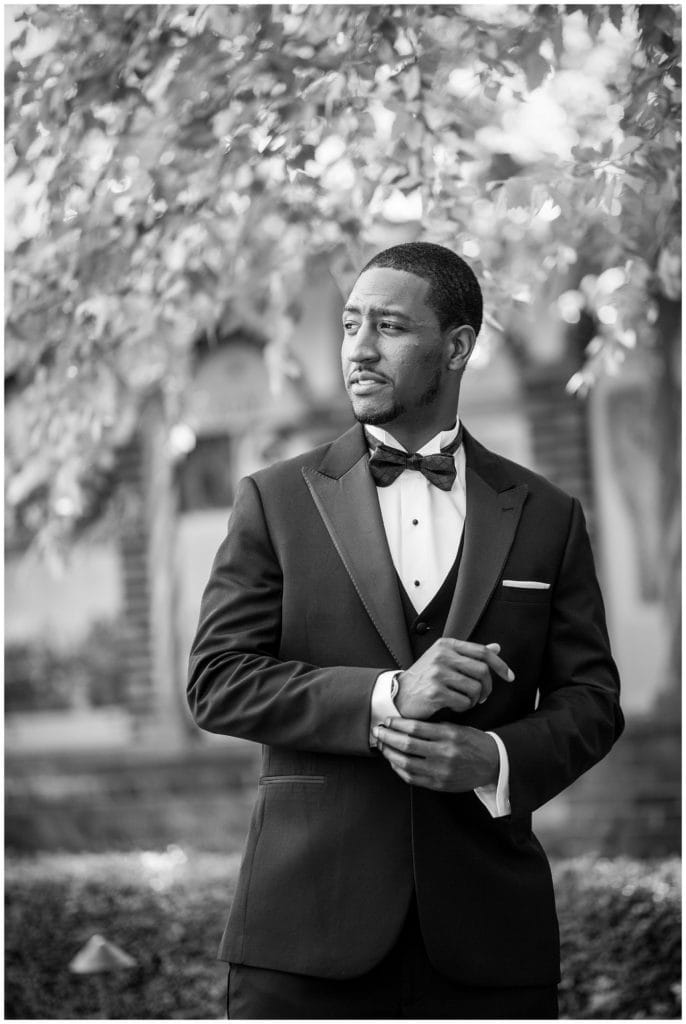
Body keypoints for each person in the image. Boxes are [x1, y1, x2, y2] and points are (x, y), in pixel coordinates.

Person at [187, 241, 623, 1020]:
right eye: (351, 324)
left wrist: (491, 757)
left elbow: (592, 699)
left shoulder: (548, 515)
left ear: (456, 347)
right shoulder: (276, 501)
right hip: (305, 938)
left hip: (491, 941)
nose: (358, 347)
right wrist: (391, 694)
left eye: (388, 326)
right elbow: (217, 679)